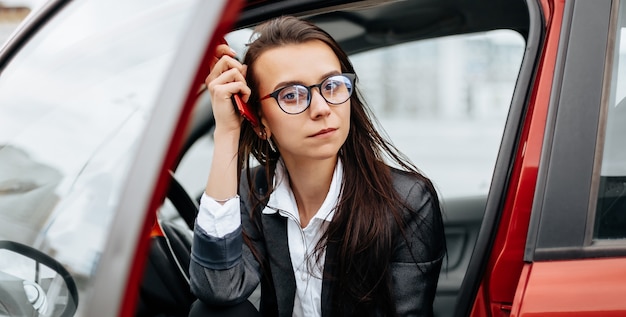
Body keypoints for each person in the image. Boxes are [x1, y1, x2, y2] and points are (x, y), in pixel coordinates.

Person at [188, 16, 446, 317]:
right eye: (292, 95)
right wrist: (227, 133)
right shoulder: (253, 191)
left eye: (332, 85)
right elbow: (217, 289)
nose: (322, 109)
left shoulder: (407, 201)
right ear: (261, 121)